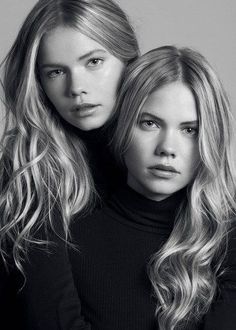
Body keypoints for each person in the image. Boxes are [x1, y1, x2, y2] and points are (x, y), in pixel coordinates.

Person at [69, 46, 236, 329]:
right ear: (122, 124)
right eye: (150, 123)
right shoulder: (70, 239)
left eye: (189, 130)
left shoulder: (226, 241)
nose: (167, 148)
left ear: (211, 138)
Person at [0, 0, 139, 329]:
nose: (76, 88)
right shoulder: (33, 168)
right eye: (56, 72)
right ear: (40, 83)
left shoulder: (156, 157)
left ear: (128, 59)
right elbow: (55, 320)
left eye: (93, 61)